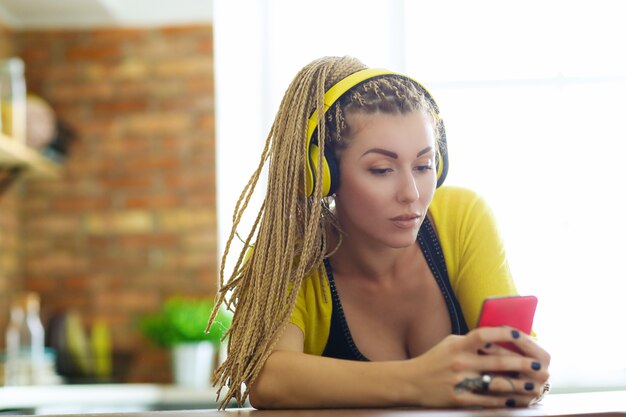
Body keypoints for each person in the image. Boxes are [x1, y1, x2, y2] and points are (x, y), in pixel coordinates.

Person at [206, 56, 551, 409]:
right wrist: (419, 381)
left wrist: (521, 374)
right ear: (325, 174)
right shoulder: (289, 253)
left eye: (423, 166)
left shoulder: (461, 217)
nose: (412, 194)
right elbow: (268, 379)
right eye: (382, 169)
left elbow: (515, 364)